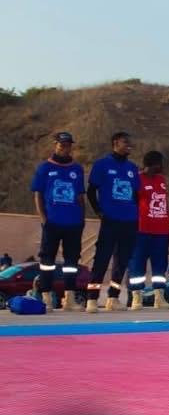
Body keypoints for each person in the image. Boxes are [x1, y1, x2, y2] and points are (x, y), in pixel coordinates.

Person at [30, 132, 86, 311]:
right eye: (62, 144)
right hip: (52, 222)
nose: (65, 148)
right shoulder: (44, 168)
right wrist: (44, 218)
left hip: (73, 223)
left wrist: (81, 218)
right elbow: (38, 194)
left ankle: (69, 298)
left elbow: (80, 196)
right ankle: (46, 297)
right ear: (55, 145)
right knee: (47, 261)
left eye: (68, 145)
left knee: (71, 262)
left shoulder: (76, 169)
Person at [86, 131, 140, 312]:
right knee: (102, 259)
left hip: (129, 221)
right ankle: (92, 298)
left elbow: (136, 194)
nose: (129, 145)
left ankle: (113, 298)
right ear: (115, 143)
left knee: (122, 261)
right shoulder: (102, 165)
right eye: (125, 142)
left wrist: (135, 214)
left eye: (129, 142)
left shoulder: (132, 168)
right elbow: (91, 190)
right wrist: (99, 212)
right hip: (110, 220)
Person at [127, 151, 169, 310]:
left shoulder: (162, 180)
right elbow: (132, 203)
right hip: (142, 229)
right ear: (154, 164)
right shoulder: (137, 179)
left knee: (160, 265)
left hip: (162, 230)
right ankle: (136, 297)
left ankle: (159, 297)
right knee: (137, 263)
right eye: (161, 162)